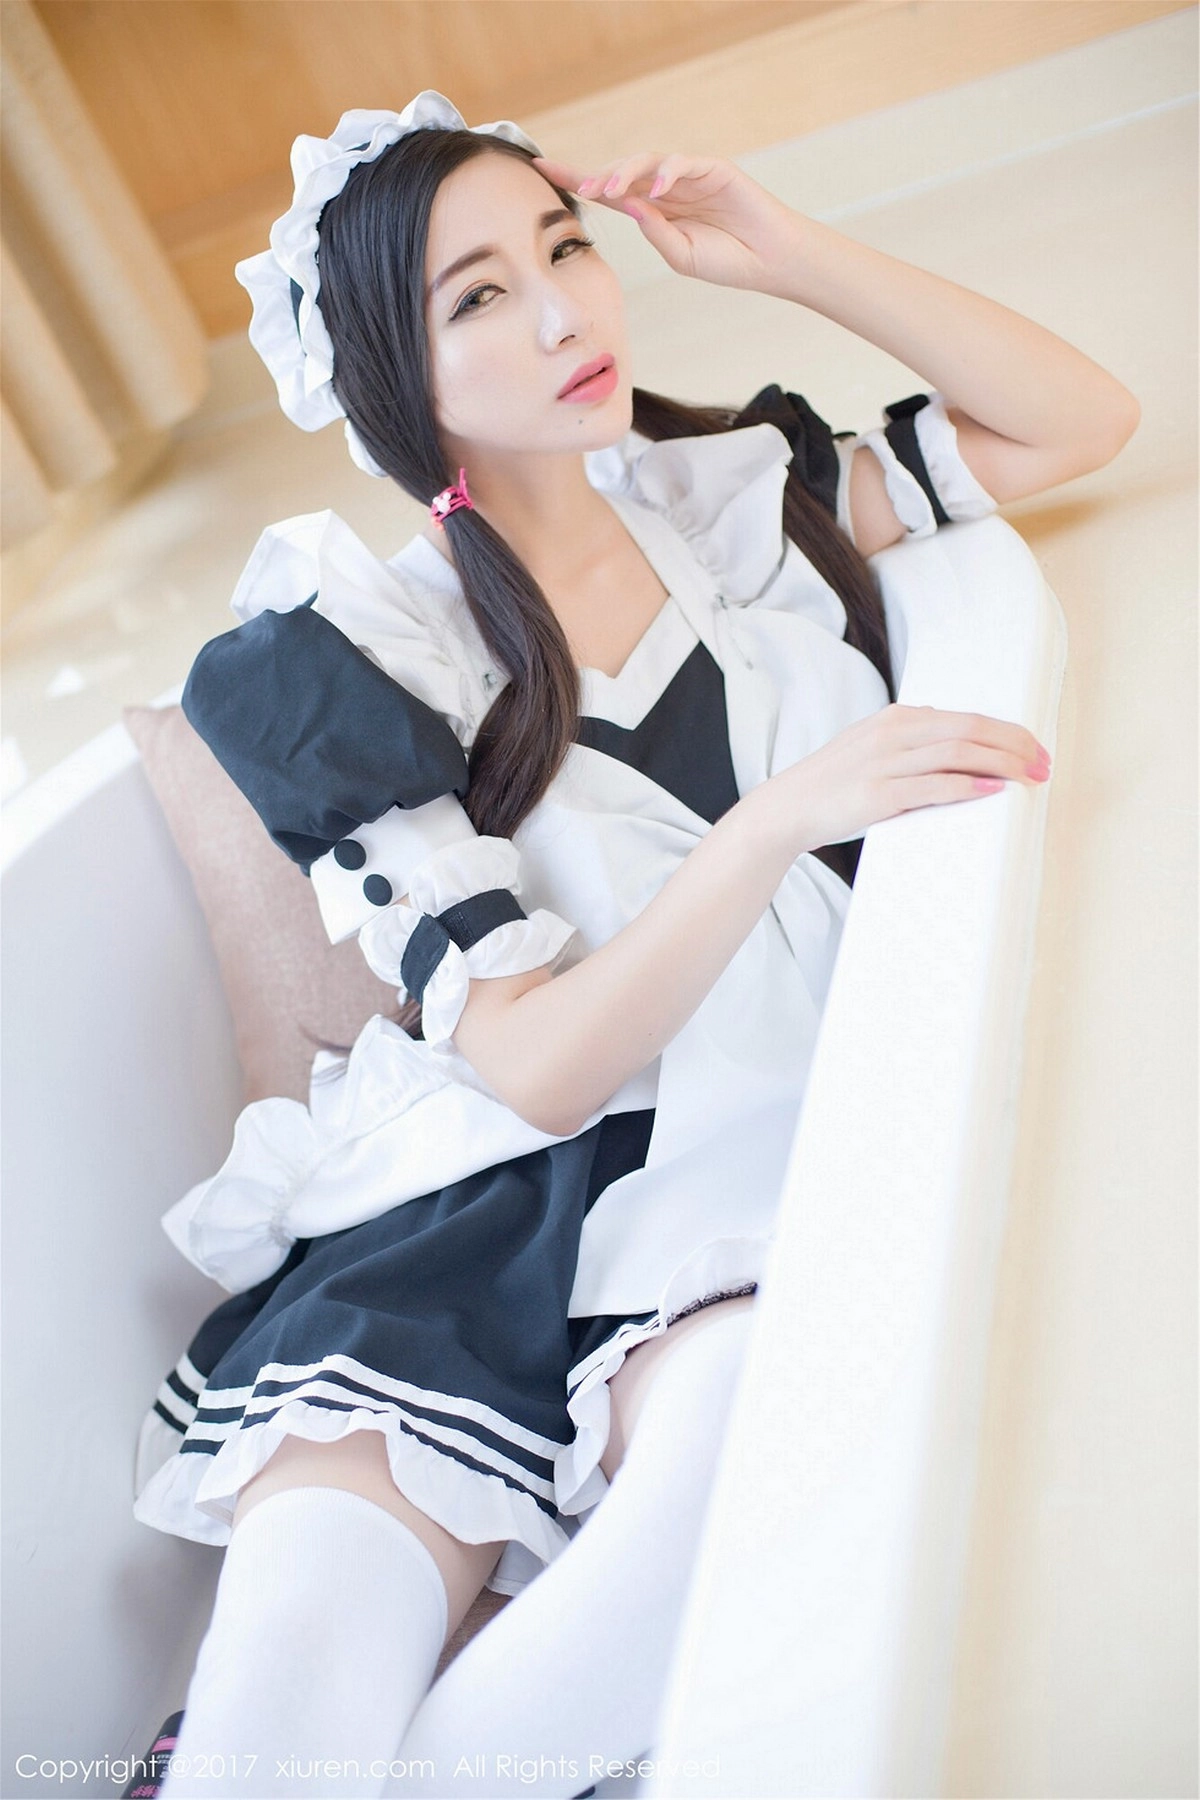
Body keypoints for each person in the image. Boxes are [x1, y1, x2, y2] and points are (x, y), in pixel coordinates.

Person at [129, 91, 1138, 1800]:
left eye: (566, 247)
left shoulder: (738, 508)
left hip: (728, 1179)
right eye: (477, 296)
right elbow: (531, 1064)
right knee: (289, 1681)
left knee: (715, 1511)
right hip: (468, 1220)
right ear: (387, 373)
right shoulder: (350, 651)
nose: (560, 313)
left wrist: (788, 251)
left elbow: (1078, 417)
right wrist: (776, 819)